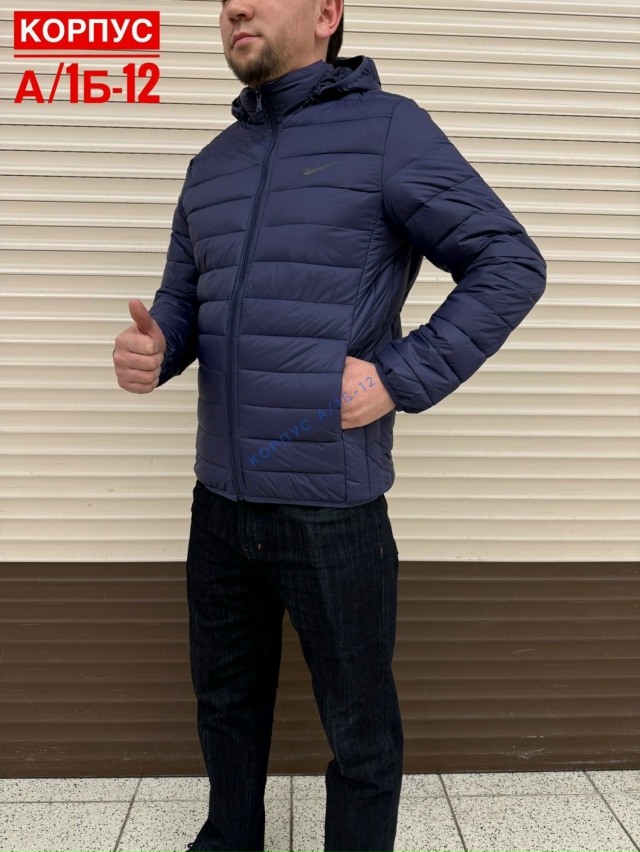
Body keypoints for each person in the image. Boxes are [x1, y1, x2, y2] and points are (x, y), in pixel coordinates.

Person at [112, 0, 547, 849]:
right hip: (219, 502)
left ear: (326, 13)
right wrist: (156, 347)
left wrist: (398, 377)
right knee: (225, 704)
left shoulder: (388, 131)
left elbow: (508, 263)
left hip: (331, 508)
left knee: (359, 728)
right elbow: (183, 303)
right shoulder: (212, 164)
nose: (234, 8)